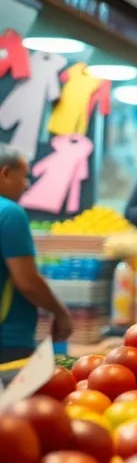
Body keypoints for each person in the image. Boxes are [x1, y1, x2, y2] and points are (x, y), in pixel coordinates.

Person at [0, 144, 72, 361]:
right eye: (24, 177)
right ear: (5, 173)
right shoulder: (9, 213)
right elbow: (28, 282)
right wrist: (60, 313)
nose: (27, 185)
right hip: (7, 340)